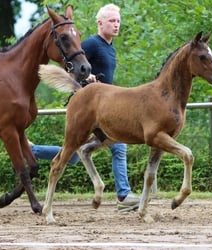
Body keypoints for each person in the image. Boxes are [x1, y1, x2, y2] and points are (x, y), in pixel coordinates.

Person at [81, 3, 140, 212]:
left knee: (75, 153)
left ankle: (33, 151)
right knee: (118, 145)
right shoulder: (91, 44)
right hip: (88, 107)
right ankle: (123, 196)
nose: (116, 25)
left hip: (105, 107)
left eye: (118, 21)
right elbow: (69, 65)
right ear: (100, 23)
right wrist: (83, 76)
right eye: (112, 21)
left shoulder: (110, 47)